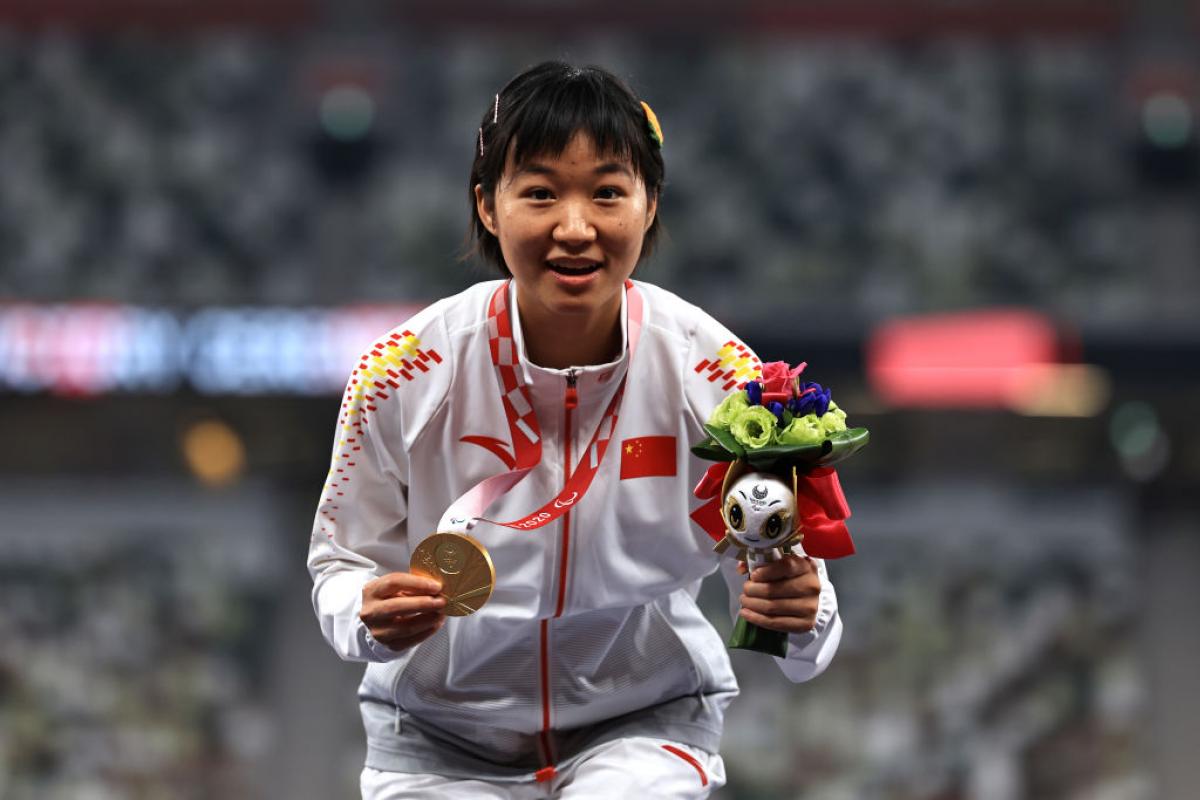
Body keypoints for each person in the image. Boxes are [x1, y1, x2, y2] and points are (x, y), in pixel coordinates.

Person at [308, 61, 842, 799]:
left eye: (607, 193)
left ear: (649, 205)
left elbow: (795, 607)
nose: (575, 227)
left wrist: (805, 618)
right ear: (488, 208)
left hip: (646, 722)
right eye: (539, 193)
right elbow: (339, 564)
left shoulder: (722, 381)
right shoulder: (403, 373)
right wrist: (364, 617)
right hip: (434, 738)